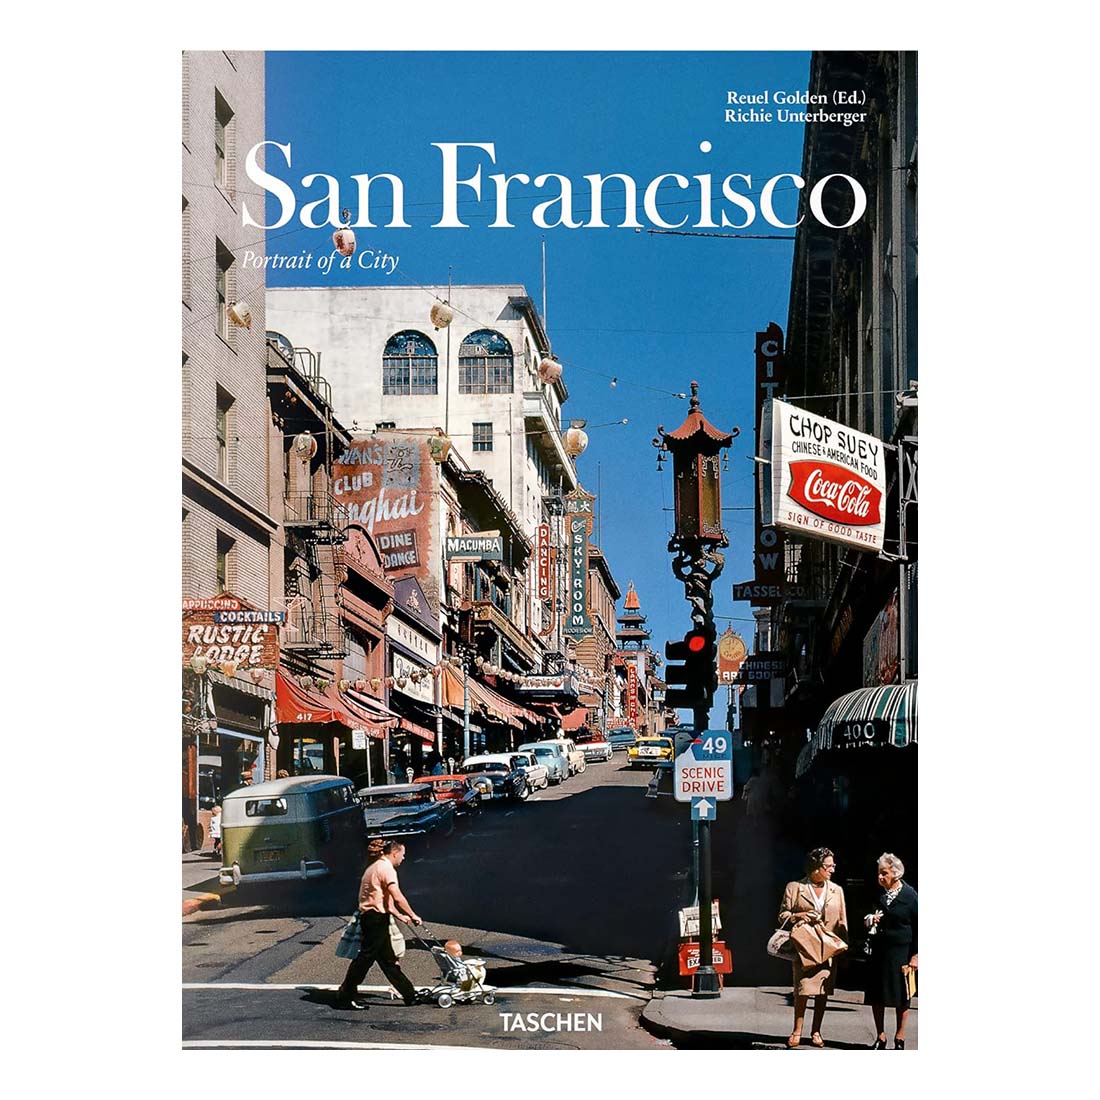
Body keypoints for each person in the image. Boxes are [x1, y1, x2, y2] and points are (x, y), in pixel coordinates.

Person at [334, 840, 422, 1010]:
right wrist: (413, 914)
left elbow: (385, 900)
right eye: (402, 855)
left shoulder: (375, 867)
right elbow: (397, 896)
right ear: (395, 853)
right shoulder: (386, 869)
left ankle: (410, 995)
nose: (403, 858)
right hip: (375, 919)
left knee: (388, 960)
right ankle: (346, 995)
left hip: (375, 917)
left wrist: (400, 916)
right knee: (365, 958)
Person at [778, 846, 849, 1048]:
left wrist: (844, 948)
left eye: (833, 865)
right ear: (816, 866)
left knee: (822, 991)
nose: (833, 869)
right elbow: (783, 915)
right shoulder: (795, 887)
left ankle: (816, 1031)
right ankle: (797, 1031)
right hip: (805, 947)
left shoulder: (837, 890)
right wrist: (798, 916)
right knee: (802, 990)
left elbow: (842, 921)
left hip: (829, 947)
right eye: (829, 866)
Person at [863, 852, 918, 1049]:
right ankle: (881, 1036)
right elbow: (866, 913)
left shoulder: (910, 896)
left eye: (884, 873)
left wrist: (916, 955)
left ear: (895, 873)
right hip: (878, 952)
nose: (880, 877)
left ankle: (900, 1037)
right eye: (878, 873)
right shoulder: (877, 893)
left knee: (902, 997)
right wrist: (869, 919)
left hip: (901, 954)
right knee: (876, 995)